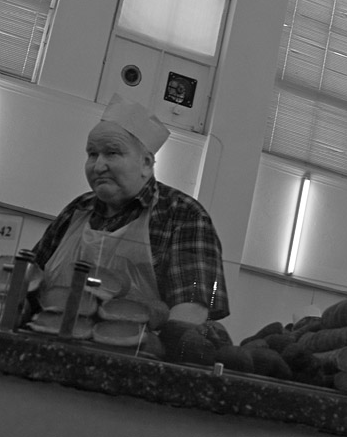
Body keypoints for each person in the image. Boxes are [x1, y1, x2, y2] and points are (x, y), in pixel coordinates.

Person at [31, 93, 229, 321]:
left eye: (112, 153)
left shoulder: (184, 215)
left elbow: (190, 311)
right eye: (92, 154)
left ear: (146, 163)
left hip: (136, 343)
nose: (98, 166)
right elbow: (30, 278)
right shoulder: (78, 209)